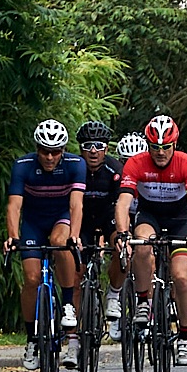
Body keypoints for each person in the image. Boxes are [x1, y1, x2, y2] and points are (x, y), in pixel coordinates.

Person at [116, 114, 187, 366]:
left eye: (166, 147)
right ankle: (144, 300)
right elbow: (123, 203)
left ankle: (185, 337)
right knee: (141, 245)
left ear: (174, 144)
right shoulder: (136, 163)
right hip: (150, 214)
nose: (161, 153)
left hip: (180, 219)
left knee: (182, 276)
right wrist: (123, 232)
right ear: (148, 146)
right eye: (155, 147)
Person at [5, 119, 86, 370]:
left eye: (55, 152)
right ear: (37, 148)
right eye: (44, 151)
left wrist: (75, 234)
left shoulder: (76, 165)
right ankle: (31, 339)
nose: (49, 157)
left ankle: (67, 303)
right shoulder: (23, 165)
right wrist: (12, 236)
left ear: (63, 151)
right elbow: (14, 205)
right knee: (31, 279)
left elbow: (76, 205)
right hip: (33, 221)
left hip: (61, 217)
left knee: (60, 242)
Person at [74, 120, 126, 352]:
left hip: (108, 216)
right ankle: (74, 329)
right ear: (80, 149)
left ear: (106, 148)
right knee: (76, 268)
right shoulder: (74, 168)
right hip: (82, 219)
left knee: (123, 247)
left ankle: (113, 295)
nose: (93, 150)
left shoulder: (116, 170)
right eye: (87, 145)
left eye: (98, 145)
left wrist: (118, 236)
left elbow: (122, 205)